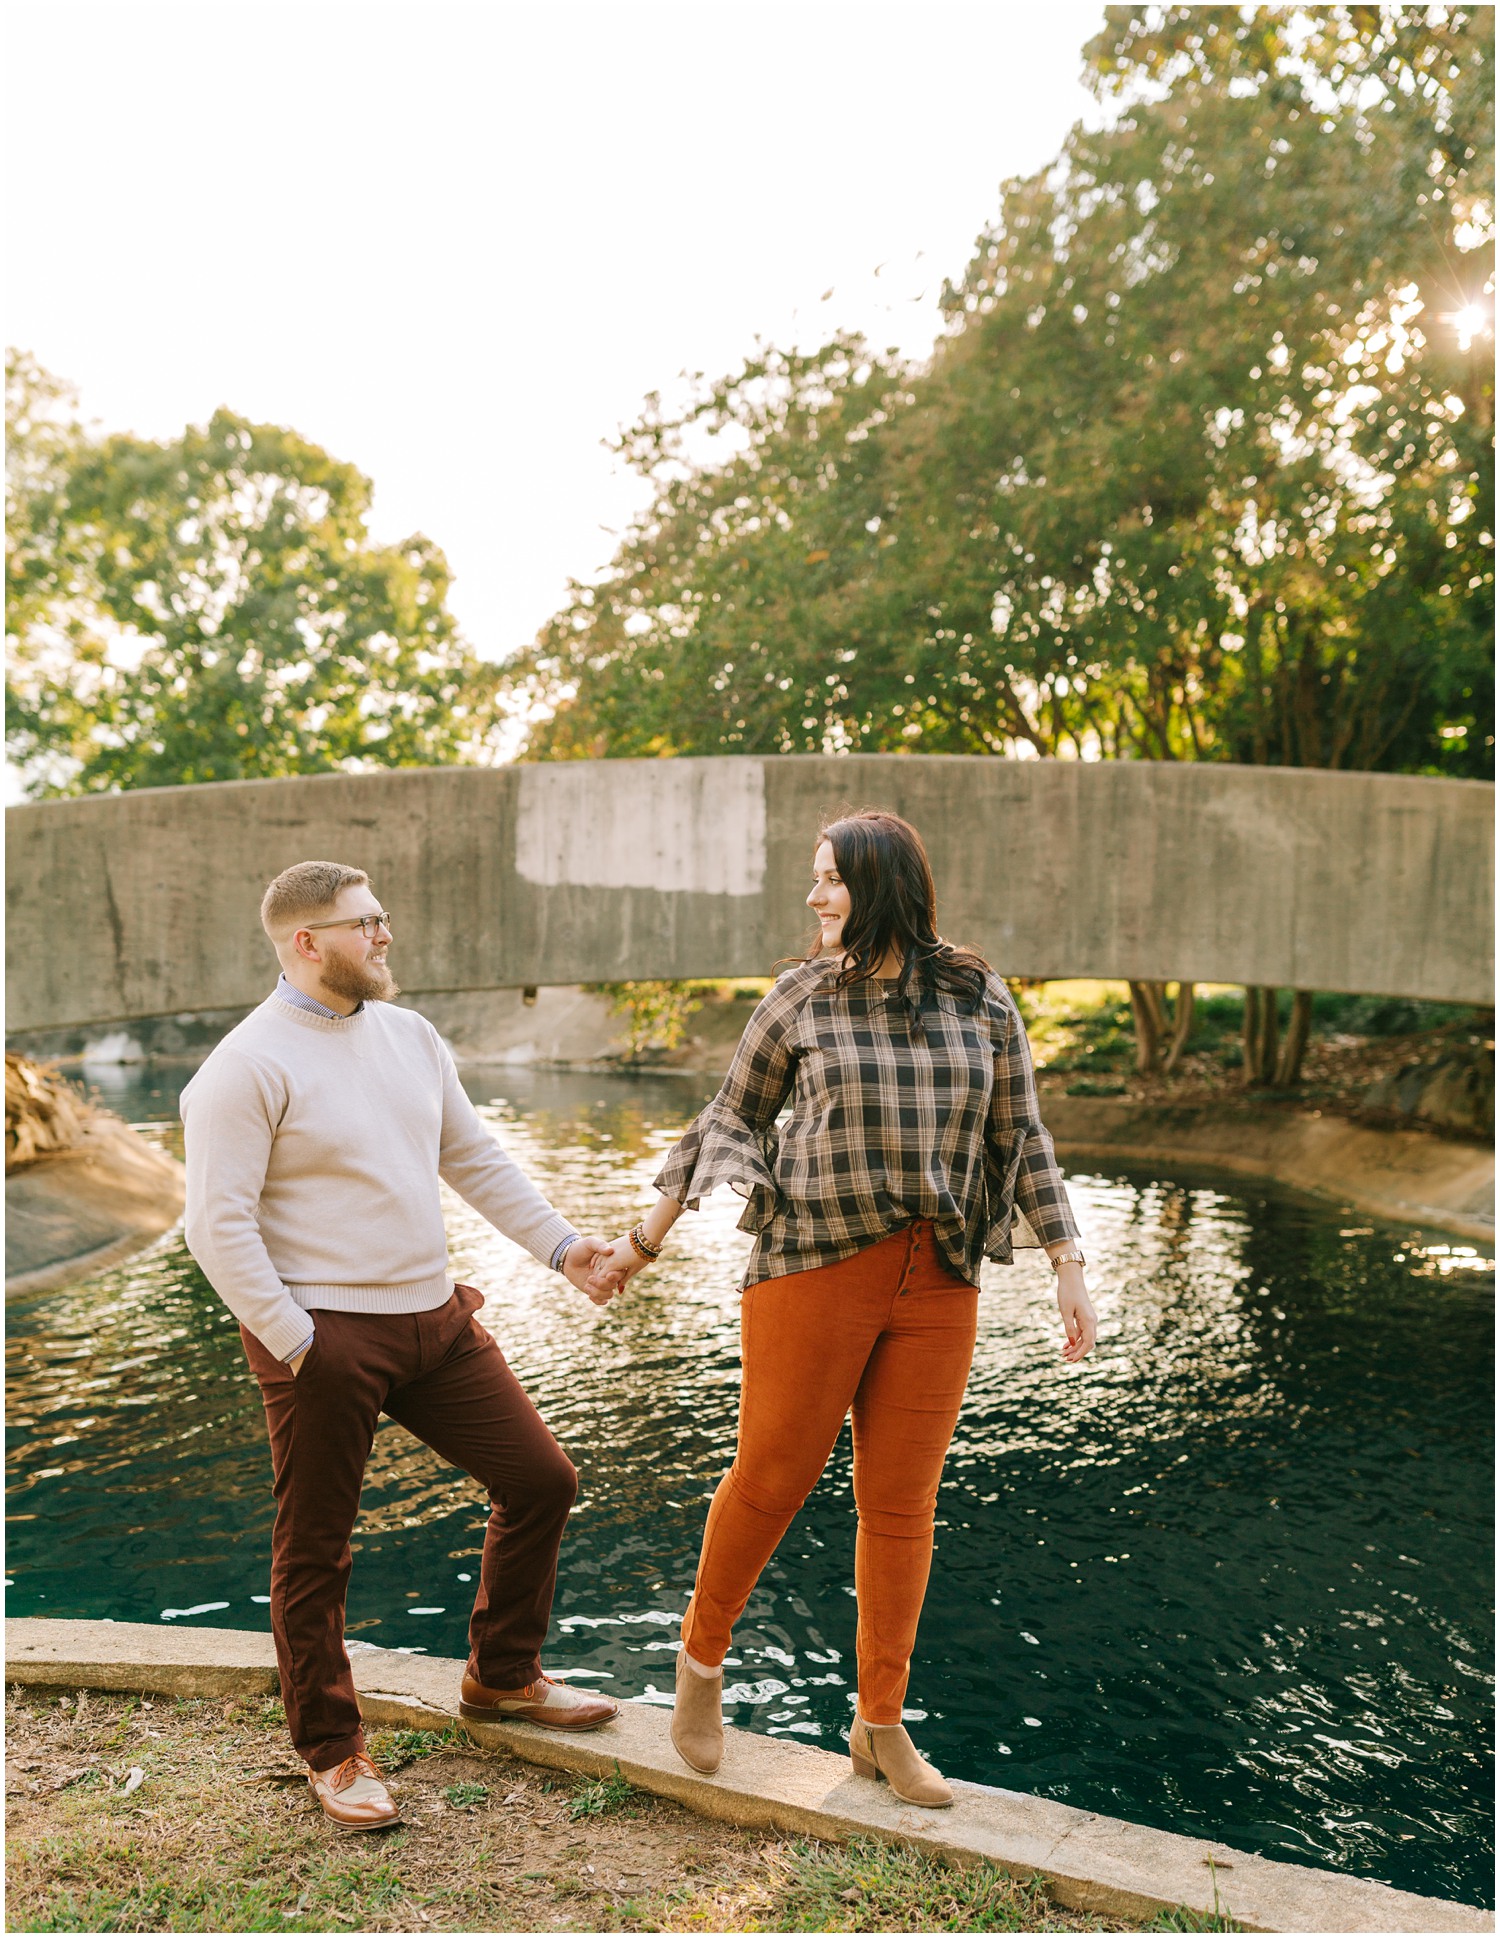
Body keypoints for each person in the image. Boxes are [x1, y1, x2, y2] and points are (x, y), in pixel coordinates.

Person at [591, 810, 1097, 1808]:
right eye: (813, 879)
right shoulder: (799, 998)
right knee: (773, 1476)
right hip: (812, 1266)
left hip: (940, 1274)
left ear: (883, 884)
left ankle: (879, 1726)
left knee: (903, 1508)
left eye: (830, 879)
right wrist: (640, 1246)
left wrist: (1067, 1264)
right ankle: (700, 1665)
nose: (815, 897)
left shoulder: (980, 996)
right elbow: (727, 1118)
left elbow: (1023, 1134)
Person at [181, 860, 625, 1832]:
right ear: (307, 942)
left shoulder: (412, 1038)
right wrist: (303, 1343)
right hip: (325, 1338)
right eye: (364, 922)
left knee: (542, 1478)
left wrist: (563, 1250)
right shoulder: (244, 1067)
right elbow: (215, 1227)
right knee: (317, 1552)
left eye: (384, 917)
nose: (385, 935)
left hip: (436, 1322)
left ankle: (502, 1676)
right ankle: (333, 1753)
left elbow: (471, 1156)